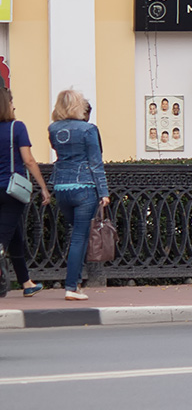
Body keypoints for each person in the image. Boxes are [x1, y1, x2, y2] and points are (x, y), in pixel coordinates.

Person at [48, 90, 110, 301]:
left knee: (76, 234)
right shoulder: (88, 129)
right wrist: (104, 192)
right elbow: (95, 162)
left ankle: (75, 284)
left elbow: (59, 152)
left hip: (61, 188)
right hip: (84, 187)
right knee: (79, 238)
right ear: (79, 107)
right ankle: (72, 287)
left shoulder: (53, 129)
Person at [0, 87, 51, 298]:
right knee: (3, 238)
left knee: (15, 236)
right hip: (12, 191)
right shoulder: (17, 127)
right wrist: (43, 187)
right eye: (11, 102)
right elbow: (28, 160)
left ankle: (26, 282)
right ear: (7, 104)